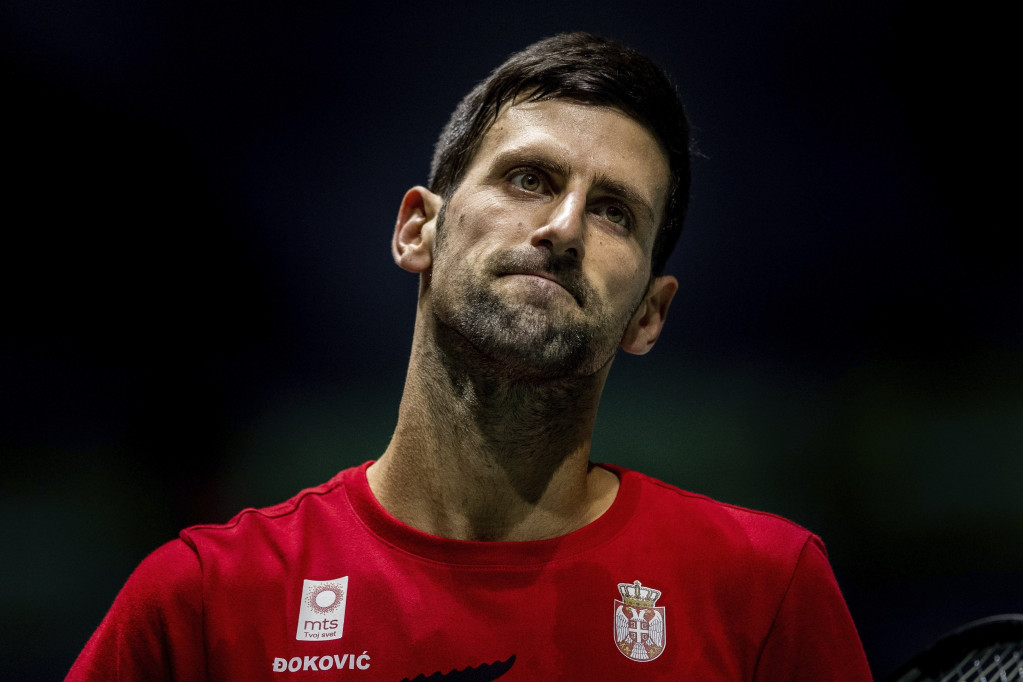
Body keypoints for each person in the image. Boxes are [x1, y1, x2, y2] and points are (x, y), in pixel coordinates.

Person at [68, 32, 873, 680]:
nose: (563, 228)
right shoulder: (201, 601)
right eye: (528, 178)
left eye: (614, 212)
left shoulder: (765, 588)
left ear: (648, 314)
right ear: (416, 229)